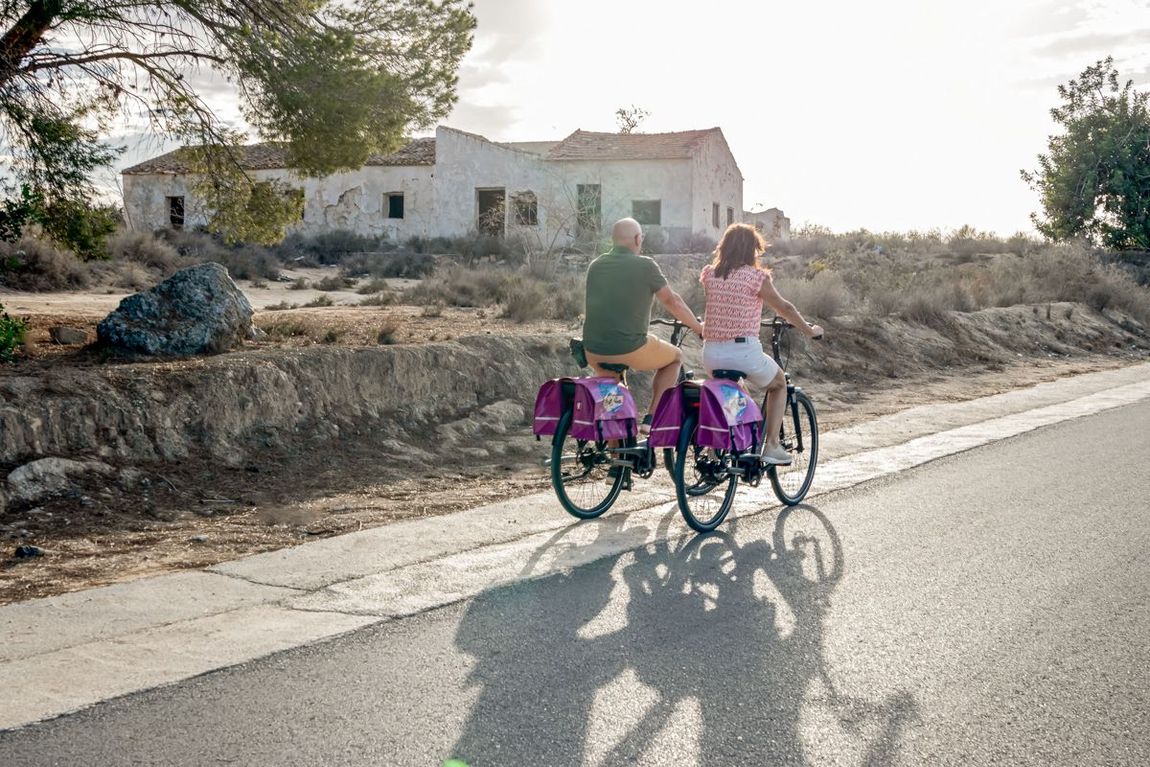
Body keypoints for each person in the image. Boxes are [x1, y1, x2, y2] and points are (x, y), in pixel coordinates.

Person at [700, 223, 824, 465]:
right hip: (742, 351)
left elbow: (724, 306)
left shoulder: (710, 274)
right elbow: (784, 307)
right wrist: (810, 330)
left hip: (711, 354)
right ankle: (772, 446)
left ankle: (721, 446)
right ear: (751, 250)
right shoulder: (756, 277)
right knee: (778, 384)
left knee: (737, 391)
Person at [583, 217, 704, 432]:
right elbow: (672, 301)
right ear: (638, 239)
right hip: (630, 348)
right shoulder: (646, 265)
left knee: (613, 398)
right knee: (675, 358)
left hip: (593, 350)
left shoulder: (596, 265)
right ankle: (652, 418)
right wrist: (697, 328)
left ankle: (618, 461)